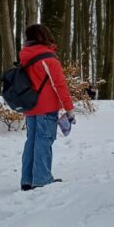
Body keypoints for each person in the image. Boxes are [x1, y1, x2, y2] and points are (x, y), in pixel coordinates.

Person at [19, 24, 75, 190]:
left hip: (30, 107)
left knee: (31, 142)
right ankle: (42, 179)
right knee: (44, 142)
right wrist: (69, 109)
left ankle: (27, 180)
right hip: (47, 108)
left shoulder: (25, 57)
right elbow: (60, 85)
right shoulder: (49, 59)